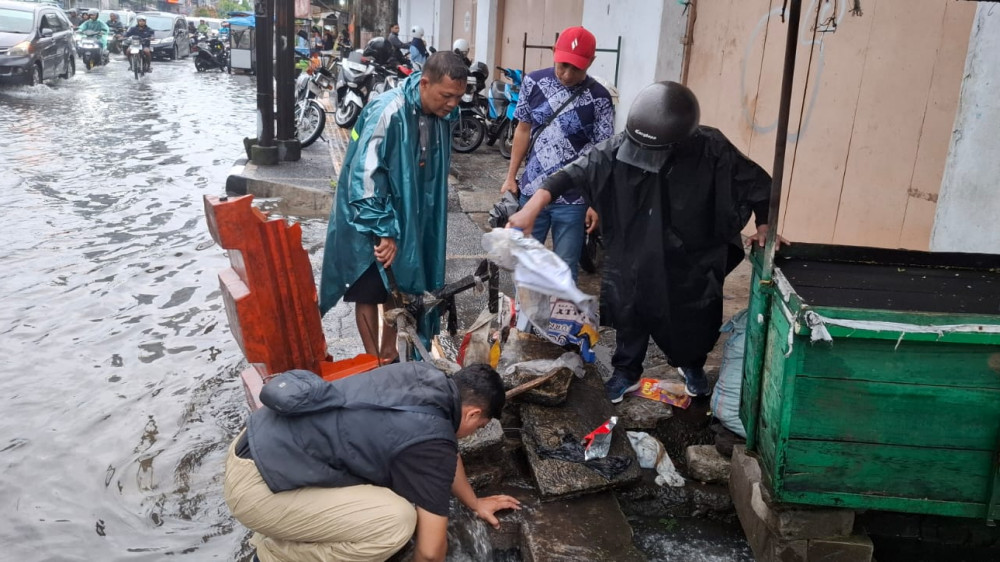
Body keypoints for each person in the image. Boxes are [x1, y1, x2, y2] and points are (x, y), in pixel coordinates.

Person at [508, 81, 786, 402]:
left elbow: (757, 183)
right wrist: (531, 207)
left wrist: (765, 224)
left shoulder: (713, 149)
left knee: (693, 313)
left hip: (693, 251)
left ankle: (691, 364)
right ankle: (626, 371)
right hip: (635, 247)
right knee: (631, 307)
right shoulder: (619, 147)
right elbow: (572, 174)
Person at [224, 362, 521, 562]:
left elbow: (446, 452)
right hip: (256, 489)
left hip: (255, 440)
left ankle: (287, 528)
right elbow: (431, 552)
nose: (473, 435)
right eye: (480, 427)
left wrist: (474, 503)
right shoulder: (432, 440)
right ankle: (273, 552)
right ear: (472, 414)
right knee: (396, 523)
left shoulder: (424, 375)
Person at [319, 52, 468, 363]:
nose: (453, 104)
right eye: (447, 96)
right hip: (370, 216)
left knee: (399, 288)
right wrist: (383, 228)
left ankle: (390, 352)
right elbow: (364, 174)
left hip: (409, 218)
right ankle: (372, 359)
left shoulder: (439, 115)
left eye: (458, 97)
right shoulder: (389, 111)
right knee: (369, 289)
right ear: (425, 83)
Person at [501, 26, 614, 282]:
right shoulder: (534, 82)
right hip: (531, 193)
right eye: (563, 65)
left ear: (591, 63)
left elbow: (602, 154)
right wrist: (511, 177)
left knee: (565, 270)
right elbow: (523, 129)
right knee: (526, 266)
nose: (567, 74)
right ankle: (525, 321)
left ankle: (564, 323)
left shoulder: (599, 98)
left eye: (577, 68)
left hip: (573, 199)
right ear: (554, 52)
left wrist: (595, 201)